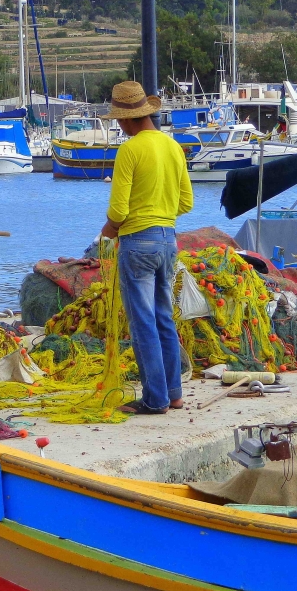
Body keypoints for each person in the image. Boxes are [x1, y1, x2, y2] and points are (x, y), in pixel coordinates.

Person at [99, 81, 194, 415]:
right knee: (164, 318)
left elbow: (119, 211)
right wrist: (160, 212)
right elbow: (187, 201)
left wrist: (109, 230)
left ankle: (155, 399)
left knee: (143, 323)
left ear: (127, 120)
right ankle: (175, 392)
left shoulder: (130, 150)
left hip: (137, 244)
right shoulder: (172, 147)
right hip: (168, 240)